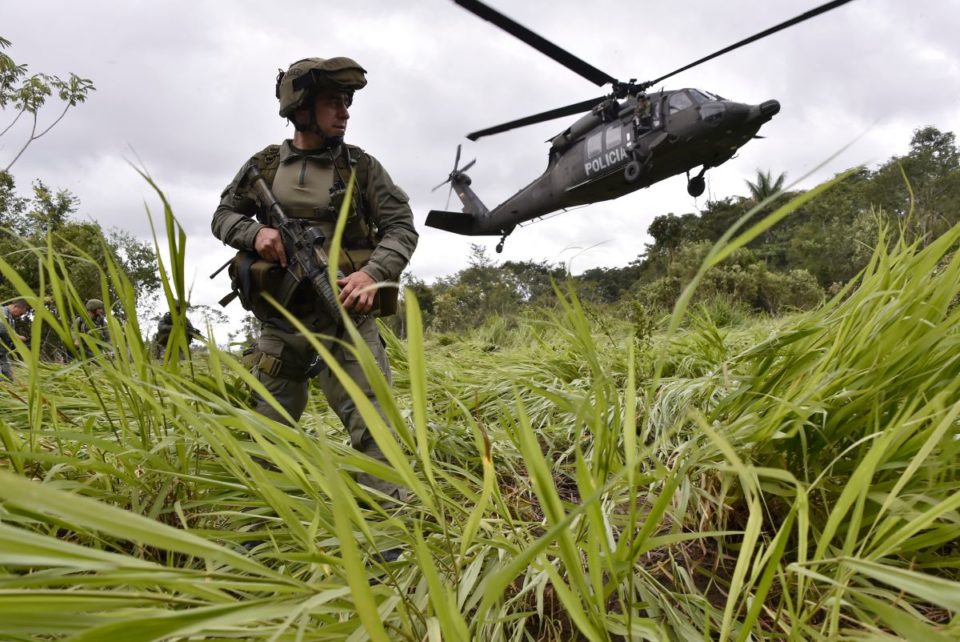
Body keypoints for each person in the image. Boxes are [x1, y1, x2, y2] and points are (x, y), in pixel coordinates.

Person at [211, 57, 418, 501]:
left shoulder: (361, 168)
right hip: (281, 327)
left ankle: (393, 538)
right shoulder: (264, 166)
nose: (345, 112)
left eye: (347, 103)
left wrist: (371, 274)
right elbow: (223, 215)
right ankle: (264, 530)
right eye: (333, 102)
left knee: (375, 433)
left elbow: (402, 227)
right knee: (267, 436)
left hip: (346, 322)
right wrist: (257, 232)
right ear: (301, 108)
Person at [0, 298, 30, 381]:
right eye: (20, 313)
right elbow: (2, 329)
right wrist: (18, 337)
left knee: (9, 376)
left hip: (3, 352)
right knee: (2, 378)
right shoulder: (2, 311)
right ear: (16, 307)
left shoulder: (10, 318)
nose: (19, 316)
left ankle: (11, 387)